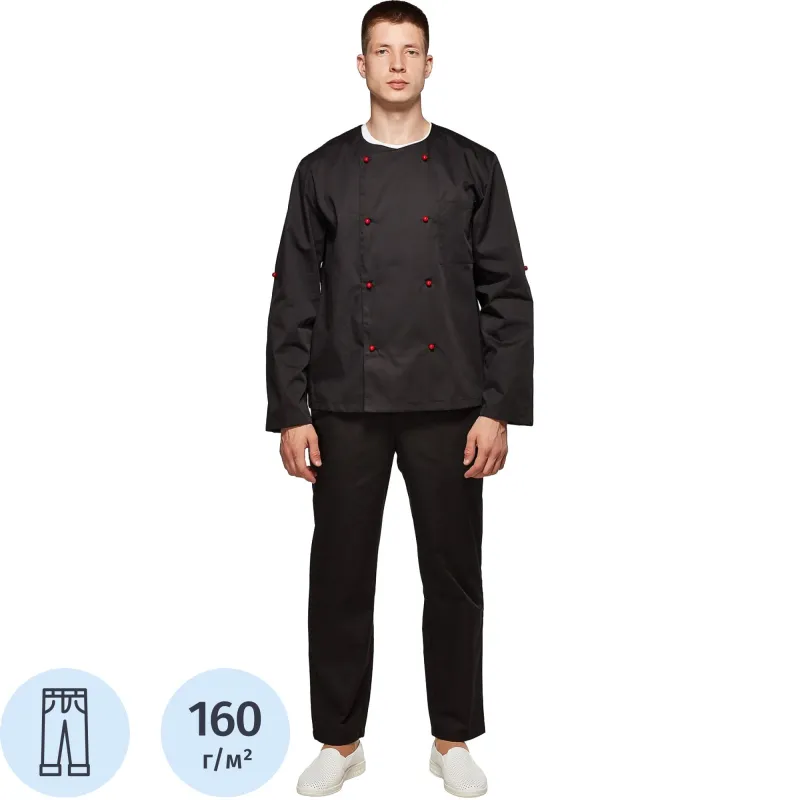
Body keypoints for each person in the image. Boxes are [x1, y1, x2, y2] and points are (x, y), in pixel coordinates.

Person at [265, 2, 533, 795]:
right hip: (344, 401)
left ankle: (451, 740)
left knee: (452, 577)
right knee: (340, 577)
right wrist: (291, 410)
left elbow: (507, 294)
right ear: (361, 65)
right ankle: (340, 742)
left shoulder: (473, 166)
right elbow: (293, 297)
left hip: (451, 403)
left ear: (428, 65)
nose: (395, 65)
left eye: (410, 51)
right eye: (382, 51)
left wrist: (497, 407)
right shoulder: (321, 170)